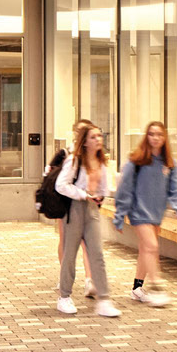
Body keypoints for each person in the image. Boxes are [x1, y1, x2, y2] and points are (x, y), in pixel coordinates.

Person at [113, 120, 177, 307]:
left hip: (156, 214)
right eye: (151, 134)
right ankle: (157, 287)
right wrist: (119, 216)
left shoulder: (169, 164)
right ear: (146, 137)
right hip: (138, 212)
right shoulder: (136, 161)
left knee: (145, 249)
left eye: (159, 134)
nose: (155, 138)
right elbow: (124, 190)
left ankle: (137, 288)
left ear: (165, 138)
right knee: (152, 246)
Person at [55, 125, 120, 318]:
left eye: (99, 136)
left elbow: (104, 188)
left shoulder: (101, 163)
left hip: (92, 211)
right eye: (93, 137)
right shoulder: (74, 161)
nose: (98, 140)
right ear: (84, 141)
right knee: (70, 254)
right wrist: (83, 194)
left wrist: (100, 196)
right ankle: (64, 297)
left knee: (97, 254)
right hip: (75, 209)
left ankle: (104, 299)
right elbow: (61, 185)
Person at [49, 120, 99, 297]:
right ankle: (65, 279)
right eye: (78, 131)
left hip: (86, 207)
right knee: (66, 242)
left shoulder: (93, 156)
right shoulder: (65, 154)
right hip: (65, 205)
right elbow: (50, 176)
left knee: (87, 244)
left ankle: (89, 280)